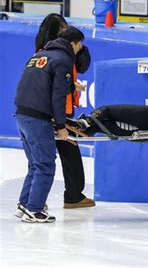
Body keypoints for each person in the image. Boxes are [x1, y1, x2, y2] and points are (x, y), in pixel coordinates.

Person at [14, 26, 85, 223]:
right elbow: (57, 96)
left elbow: (39, 83)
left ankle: (24, 204)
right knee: (45, 165)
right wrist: (61, 126)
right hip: (38, 118)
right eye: (79, 45)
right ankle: (35, 209)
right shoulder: (63, 59)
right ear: (72, 43)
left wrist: (71, 85)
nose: (79, 49)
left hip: (22, 114)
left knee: (34, 164)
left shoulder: (39, 56)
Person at [34, 13, 95, 209]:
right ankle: (73, 195)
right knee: (68, 153)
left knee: (41, 159)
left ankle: (37, 201)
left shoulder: (43, 53)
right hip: (59, 111)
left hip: (47, 111)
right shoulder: (61, 54)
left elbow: (82, 67)